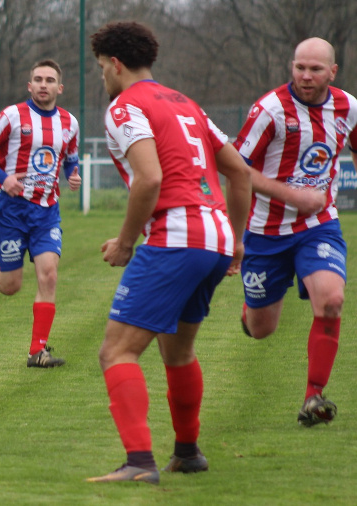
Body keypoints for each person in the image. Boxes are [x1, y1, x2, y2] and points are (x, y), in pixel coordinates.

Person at [86, 21, 251, 484]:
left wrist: (125, 241)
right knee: (176, 351)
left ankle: (139, 463)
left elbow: (150, 179)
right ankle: (187, 452)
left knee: (116, 351)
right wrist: (235, 241)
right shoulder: (187, 104)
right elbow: (239, 173)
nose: (103, 77)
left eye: (101, 69)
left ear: (115, 65)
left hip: (177, 235)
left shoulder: (124, 107)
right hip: (215, 236)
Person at [235, 37, 356, 427]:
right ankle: (250, 312)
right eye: (299, 67)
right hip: (265, 232)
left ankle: (313, 397)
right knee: (261, 329)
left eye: (315, 69)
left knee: (332, 299)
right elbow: (237, 169)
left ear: (332, 72)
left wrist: (312, 201)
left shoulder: (348, 107)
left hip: (319, 227)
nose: (305, 76)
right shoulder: (269, 110)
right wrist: (290, 194)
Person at [0, 59, 82, 368]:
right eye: (38, 79)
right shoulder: (11, 117)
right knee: (11, 286)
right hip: (11, 212)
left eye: (50, 80)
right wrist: (4, 178)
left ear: (59, 87)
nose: (43, 84)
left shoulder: (70, 122)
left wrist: (73, 173)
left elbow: (69, 157)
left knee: (49, 275)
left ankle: (37, 352)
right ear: (30, 85)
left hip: (47, 212)